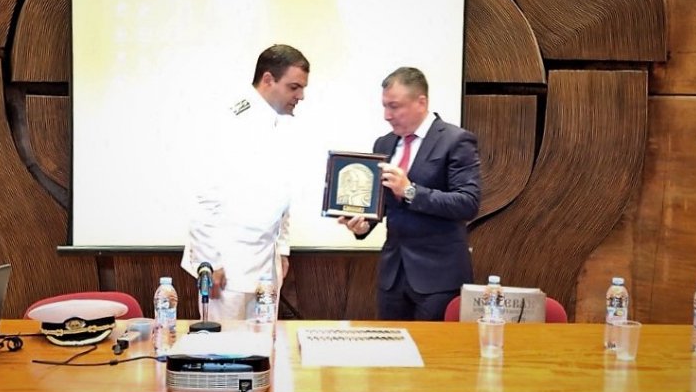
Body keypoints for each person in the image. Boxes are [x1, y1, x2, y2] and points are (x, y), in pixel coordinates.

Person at [339, 66, 480, 321]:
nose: (387, 115)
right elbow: (382, 204)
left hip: (438, 277)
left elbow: (467, 203)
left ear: (421, 102)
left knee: (431, 347)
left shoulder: (456, 140)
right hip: (392, 276)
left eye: (394, 106)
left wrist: (411, 191)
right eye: (384, 106)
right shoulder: (384, 143)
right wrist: (363, 225)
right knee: (389, 345)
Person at [181, 44, 310, 322]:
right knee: (224, 346)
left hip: (265, 265)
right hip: (228, 267)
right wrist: (208, 263)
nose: (300, 96)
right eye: (294, 87)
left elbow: (283, 194)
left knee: (264, 344)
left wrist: (282, 249)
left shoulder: (280, 124)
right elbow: (204, 198)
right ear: (268, 79)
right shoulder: (229, 122)